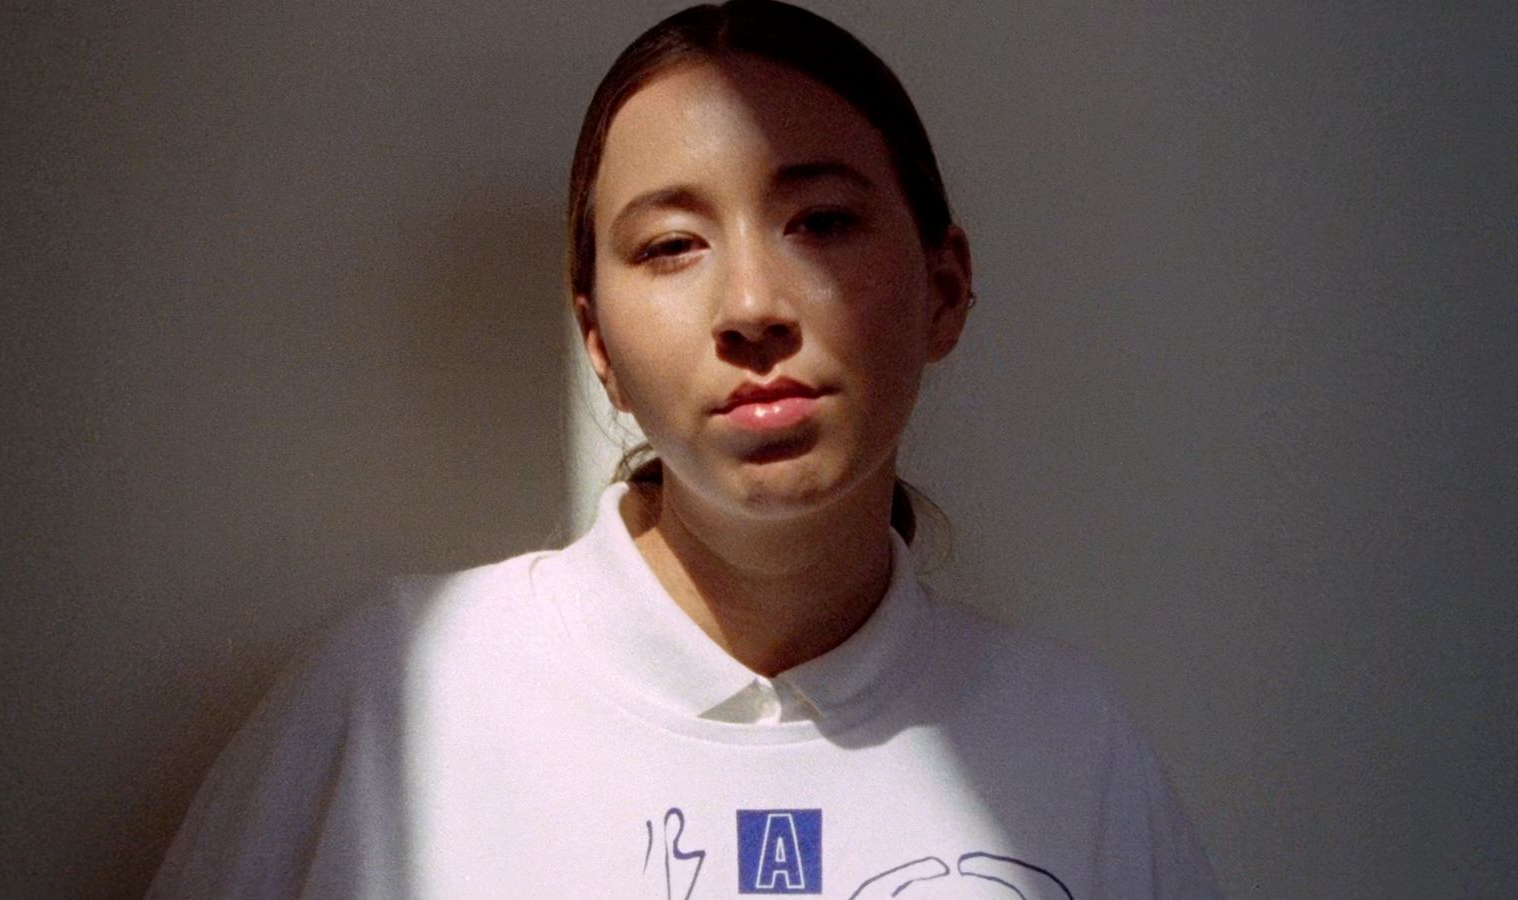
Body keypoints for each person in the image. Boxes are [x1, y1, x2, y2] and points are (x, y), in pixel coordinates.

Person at [147, 2, 1219, 897]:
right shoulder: (393, 692)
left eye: (823, 222)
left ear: (942, 291)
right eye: (670, 246)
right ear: (597, 343)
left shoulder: (1071, 741)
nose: (750, 306)